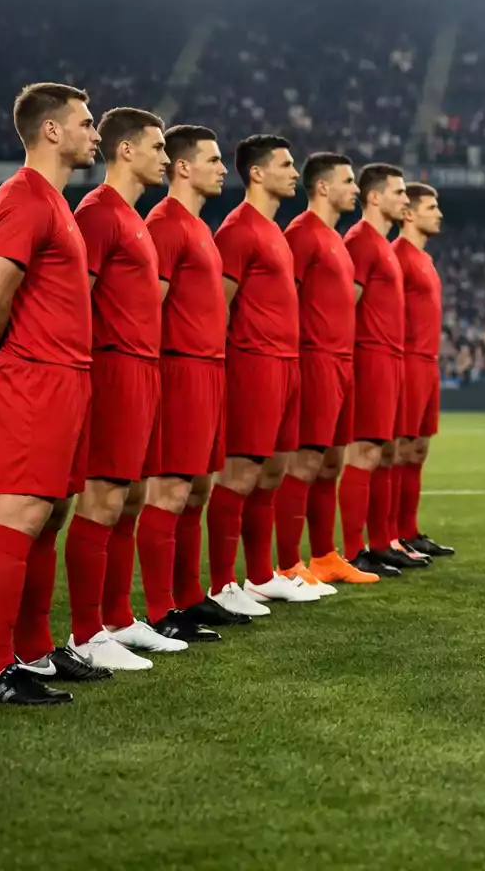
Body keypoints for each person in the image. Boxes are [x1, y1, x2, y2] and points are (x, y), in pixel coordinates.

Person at [0, 82, 104, 705]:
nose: (95, 133)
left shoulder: (52, 202)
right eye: (87, 121)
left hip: (63, 376)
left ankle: (34, 655)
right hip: (36, 377)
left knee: (48, 517)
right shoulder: (24, 197)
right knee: (19, 513)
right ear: (52, 130)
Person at [63, 108, 182, 671]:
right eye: (158, 147)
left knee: (129, 497)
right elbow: (72, 296)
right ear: (127, 151)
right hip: (113, 368)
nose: (166, 157)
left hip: (144, 368)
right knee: (102, 497)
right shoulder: (98, 213)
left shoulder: (132, 218)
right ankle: (85, 634)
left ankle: (115, 618)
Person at [206, 134, 317, 616]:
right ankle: (220, 583)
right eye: (286, 165)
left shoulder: (274, 230)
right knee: (241, 472)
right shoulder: (237, 229)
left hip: (286, 364)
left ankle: (259, 576)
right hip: (254, 363)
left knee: (273, 470)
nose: (295, 173)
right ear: (257, 172)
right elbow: (217, 306)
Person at [138, 124, 240, 639]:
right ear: (184, 166)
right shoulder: (166, 224)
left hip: (208, 368)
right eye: (214, 159)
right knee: (171, 489)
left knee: (196, 489)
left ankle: (187, 597)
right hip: (179, 368)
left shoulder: (200, 227)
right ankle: (161, 611)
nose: (224, 169)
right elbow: (146, 306)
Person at [282, 152, 376, 590]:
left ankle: (324, 556)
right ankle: (285, 564)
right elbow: (286, 299)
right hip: (315, 358)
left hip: (342, 361)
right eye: (348, 180)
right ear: (322, 187)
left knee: (331, 462)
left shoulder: (334, 238)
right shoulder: (302, 234)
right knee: (305, 462)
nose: (355, 189)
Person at [344, 163, 428, 574]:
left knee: (385, 451)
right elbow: (347, 305)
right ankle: (354, 548)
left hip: (393, 357)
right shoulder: (362, 241)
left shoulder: (380, 245)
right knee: (365, 451)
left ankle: (381, 541)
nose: (404, 200)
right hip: (372, 356)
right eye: (398, 192)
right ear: (374, 197)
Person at [392, 178, 454, 559]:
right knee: (398, 450)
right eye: (432, 208)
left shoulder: (424, 259)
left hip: (427, 363)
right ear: (409, 213)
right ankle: (389, 538)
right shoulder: (397, 255)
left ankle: (407, 531)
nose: (440, 214)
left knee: (417, 450)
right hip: (407, 361)